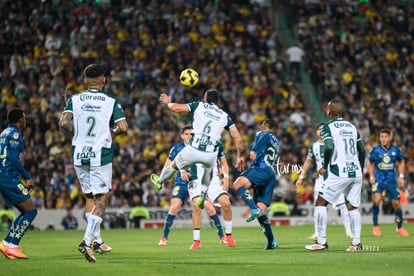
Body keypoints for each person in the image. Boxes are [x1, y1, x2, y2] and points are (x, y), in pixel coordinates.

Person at [59, 64, 128, 262]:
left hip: (79, 153)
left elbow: (63, 123)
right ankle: (87, 240)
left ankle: (97, 240)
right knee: (102, 198)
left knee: (89, 196)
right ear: (103, 79)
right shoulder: (110, 101)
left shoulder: (75, 99)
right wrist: (111, 131)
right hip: (100, 154)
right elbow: (123, 127)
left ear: (85, 80)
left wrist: (78, 134)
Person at [150, 89, 245, 207]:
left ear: (205, 99)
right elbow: (239, 140)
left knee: (174, 165)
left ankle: (159, 181)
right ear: (218, 101)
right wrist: (239, 156)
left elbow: (175, 108)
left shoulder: (199, 106)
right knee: (209, 173)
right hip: (210, 155)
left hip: (194, 149)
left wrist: (168, 102)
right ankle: (203, 195)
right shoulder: (225, 116)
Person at [305, 99, 365, 252]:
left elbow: (329, 146)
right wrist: (360, 167)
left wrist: (325, 166)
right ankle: (356, 243)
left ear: (330, 112)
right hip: (356, 171)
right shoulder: (352, 127)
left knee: (320, 203)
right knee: (353, 207)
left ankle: (321, 241)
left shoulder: (327, 126)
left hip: (339, 171)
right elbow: (362, 150)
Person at [157, 126, 228, 249]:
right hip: (181, 182)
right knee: (174, 206)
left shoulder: (199, 147)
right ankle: (164, 238)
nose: (188, 136)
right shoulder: (177, 148)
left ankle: (222, 237)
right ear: (182, 136)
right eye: (186, 134)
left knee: (209, 208)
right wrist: (162, 179)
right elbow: (167, 165)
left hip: (196, 182)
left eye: (191, 134)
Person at [296, 123, 353, 240]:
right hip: (320, 181)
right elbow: (308, 162)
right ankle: (317, 232)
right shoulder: (313, 147)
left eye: (323, 129)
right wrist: (301, 177)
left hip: (334, 180)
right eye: (318, 129)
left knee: (342, 206)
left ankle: (349, 231)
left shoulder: (334, 144)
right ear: (316, 132)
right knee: (318, 207)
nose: (320, 131)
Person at [232, 119, 280, 250]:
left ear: (266, 126)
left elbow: (253, 154)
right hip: (271, 174)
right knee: (262, 211)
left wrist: (243, 157)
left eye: (262, 125)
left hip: (260, 169)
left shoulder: (262, 134)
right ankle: (271, 242)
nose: (260, 127)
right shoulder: (276, 141)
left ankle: (252, 208)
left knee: (237, 184)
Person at [0, 107, 38, 259]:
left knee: (25, 210)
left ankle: (8, 244)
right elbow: (14, 158)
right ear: (20, 119)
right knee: (31, 211)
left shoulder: (3, 133)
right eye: (24, 117)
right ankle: (12, 244)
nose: (25, 120)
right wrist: (27, 177)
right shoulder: (15, 134)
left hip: (3, 175)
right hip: (8, 176)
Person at [187, 142, 236, 250]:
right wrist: (182, 171)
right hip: (196, 179)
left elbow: (223, 162)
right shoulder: (192, 142)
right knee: (196, 207)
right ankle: (197, 241)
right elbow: (181, 160)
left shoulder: (217, 142)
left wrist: (226, 176)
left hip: (214, 178)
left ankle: (228, 236)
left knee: (226, 203)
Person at [367, 128, 409, 237]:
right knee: (376, 200)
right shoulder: (375, 150)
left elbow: (401, 162)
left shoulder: (396, 150)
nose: (383, 139)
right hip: (379, 180)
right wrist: (371, 175)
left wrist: (401, 176)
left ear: (390, 138)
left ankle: (399, 227)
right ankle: (376, 226)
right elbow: (370, 163)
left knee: (397, 204)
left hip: (391, 181)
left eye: (385, 137)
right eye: (381, 137)